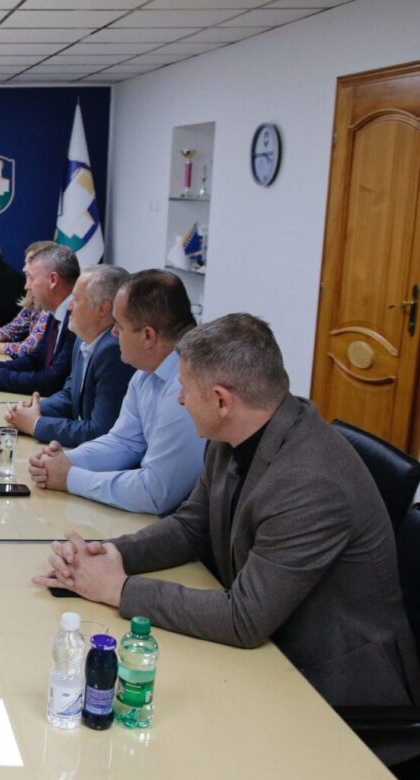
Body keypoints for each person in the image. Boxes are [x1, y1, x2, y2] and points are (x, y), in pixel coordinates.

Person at [32, 313, 420, 765]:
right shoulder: (235, 433)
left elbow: (244, 619)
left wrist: (118, 589)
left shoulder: (311, 481)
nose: (179, 399)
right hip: (273, 655)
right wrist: (110, 554)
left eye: (184, 389)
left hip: (335, 695)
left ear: (221, 400)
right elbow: (191, 526)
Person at [28, 269, 203, 515]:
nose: (113, 333)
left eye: (119, 326)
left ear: (148, 336)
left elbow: (155, 494)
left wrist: (70, 477)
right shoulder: (146, 372)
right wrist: (66, 461)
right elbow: (124, 442)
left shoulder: (186, 388)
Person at [7, 265, 135, 447]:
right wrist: (32, 410)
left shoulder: (113, 351)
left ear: (102, 308)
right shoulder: (82, 339)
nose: (69, 306)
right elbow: (70, 396)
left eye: (76, 299)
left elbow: (99, 432)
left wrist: (36, 423)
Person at [0, 243, 79, 396]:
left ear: (53, 280)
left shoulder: (77, 318)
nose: (26, 286)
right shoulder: (56, 313)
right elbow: (36, 359)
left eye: (31, 278)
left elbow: (53, 382)